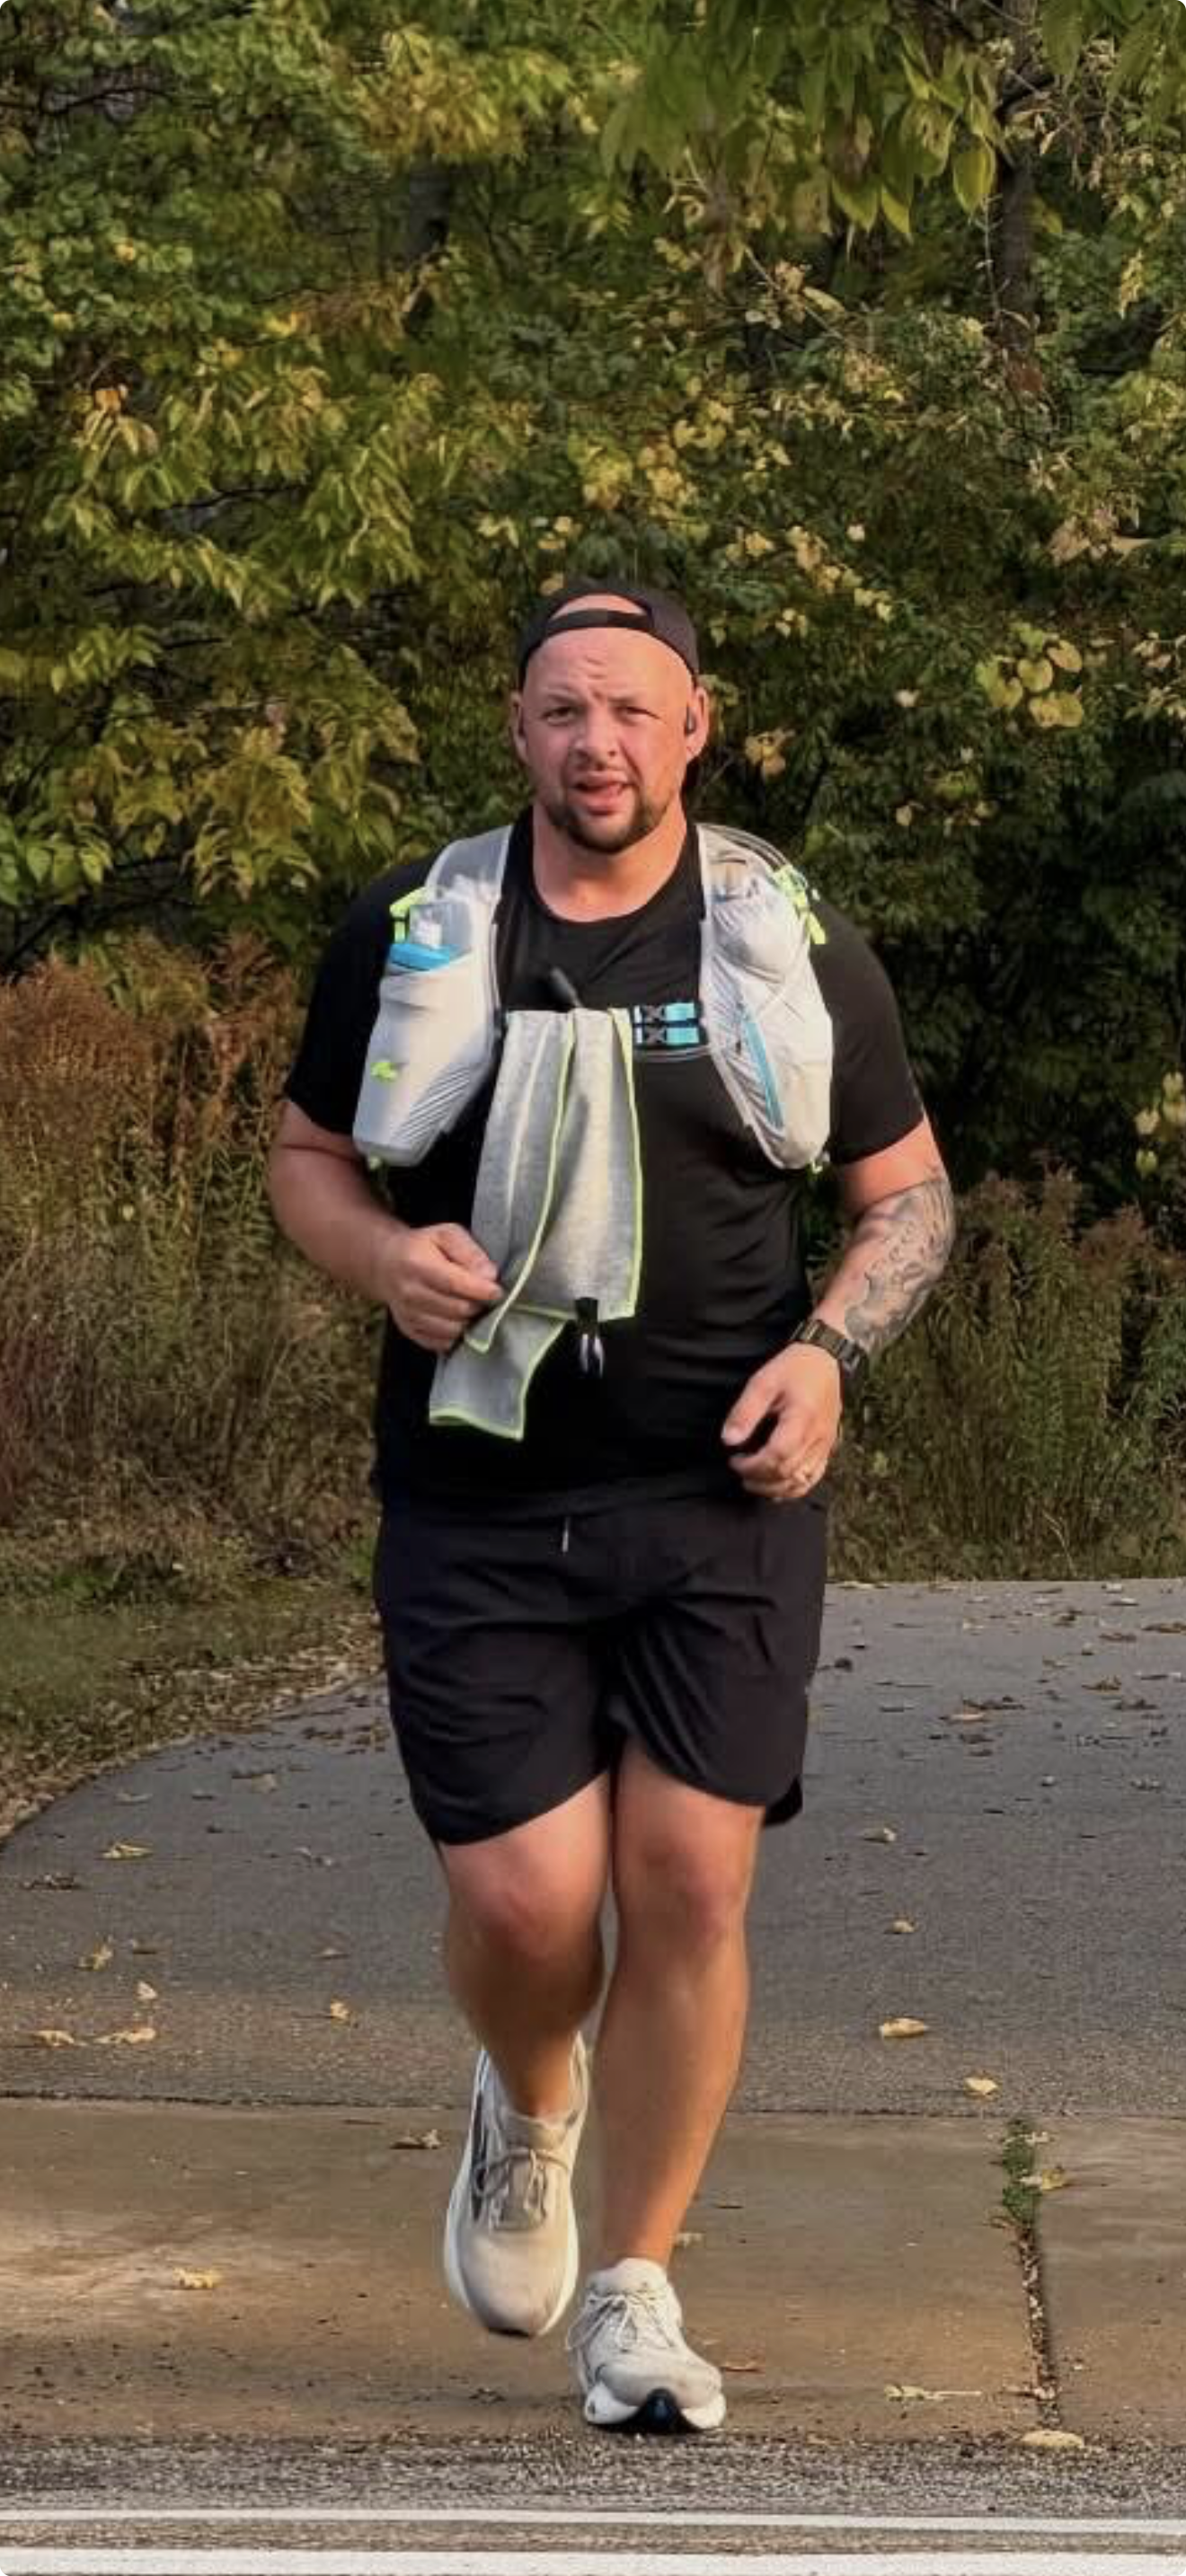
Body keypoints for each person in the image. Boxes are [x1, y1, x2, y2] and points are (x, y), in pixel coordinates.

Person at [267, 580, 955, 2435]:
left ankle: (637, 2289)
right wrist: (379, 1257)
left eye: (634, 712)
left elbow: (909, 1196)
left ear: (695, 726)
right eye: (566, 710)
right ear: (520, 730)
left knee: (689, 1881)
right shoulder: (421, 931)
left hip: (718, 1493)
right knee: (527, 1900)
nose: (600, 743)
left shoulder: (778, 935)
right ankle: (528, 2104)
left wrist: (825, 1357)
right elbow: (308, 1159)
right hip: (477, 1501)